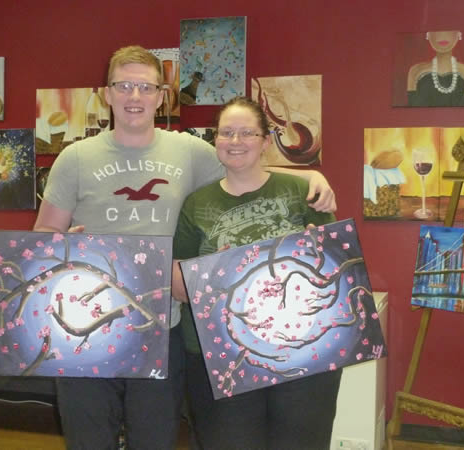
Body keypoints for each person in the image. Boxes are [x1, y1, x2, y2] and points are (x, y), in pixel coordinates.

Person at [34, 45, 337, 450]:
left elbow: (243, 163)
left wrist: (310, 177)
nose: (135, 96)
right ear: (106, 93)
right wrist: (61, 246)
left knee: (154, 439)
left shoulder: (189, 151)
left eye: (146, 87)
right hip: (84, 326)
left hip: (161, 327)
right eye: (124, 86)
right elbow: (43, 236)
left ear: (162, 96)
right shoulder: (74, 157)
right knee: (88, 440)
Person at [171, 97, 342, 450]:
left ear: (265, 141)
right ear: (215, 140)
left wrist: (316, 256)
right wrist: (212, 273)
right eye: (226, 133)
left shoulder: (303, 192)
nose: (235, 141)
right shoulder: (196, 204)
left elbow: (336, 268)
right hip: (220, 354)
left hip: (302, 349)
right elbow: (178, 285)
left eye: (247, 133)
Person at [407, 30, 464, 107]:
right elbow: (413, 108)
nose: (443, 35)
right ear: (428, 35)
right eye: (435, 29)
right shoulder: (416, 71)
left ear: (458, 35)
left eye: (450, 29)